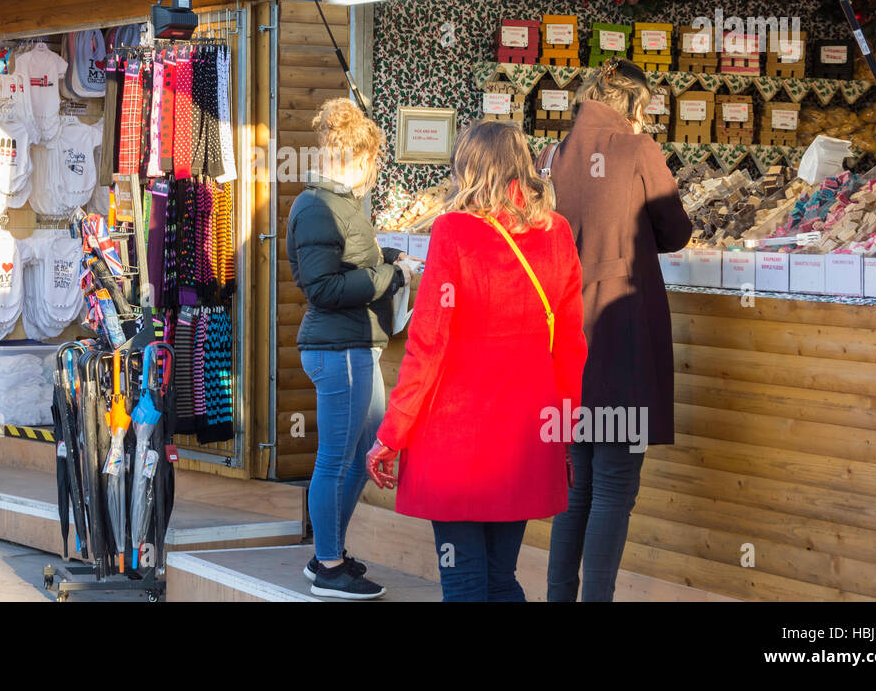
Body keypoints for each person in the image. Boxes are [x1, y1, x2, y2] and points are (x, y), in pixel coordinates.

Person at [366, 120, 587, 602]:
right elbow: (570, 345)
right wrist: (564, 432)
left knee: (465, 581)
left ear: (467, 169)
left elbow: (428, 344)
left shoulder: (454, 231)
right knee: (500, 577)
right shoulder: (557, 232)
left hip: (457, 439)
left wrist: (391, 434)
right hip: (528, 434)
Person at [542, 59, 693, 602]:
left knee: (578, 486)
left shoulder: (554, 155)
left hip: (567, 336)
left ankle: (560, 596)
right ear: (634, 104)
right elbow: (674, 230)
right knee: (613, 487)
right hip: (622, 335)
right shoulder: (638, 149)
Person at [286, 97, 415, 599]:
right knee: (336, 458)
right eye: (371, 165)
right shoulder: (319, 205)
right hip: (339, 348)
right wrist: (390, 275)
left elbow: (347, 260)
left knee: (364, 449)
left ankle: (330, 552)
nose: (371, 175)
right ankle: (327, 562)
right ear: (357, 158)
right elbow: (323, 288)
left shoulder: (336, 204)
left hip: (356, 346)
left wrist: (386, 256)